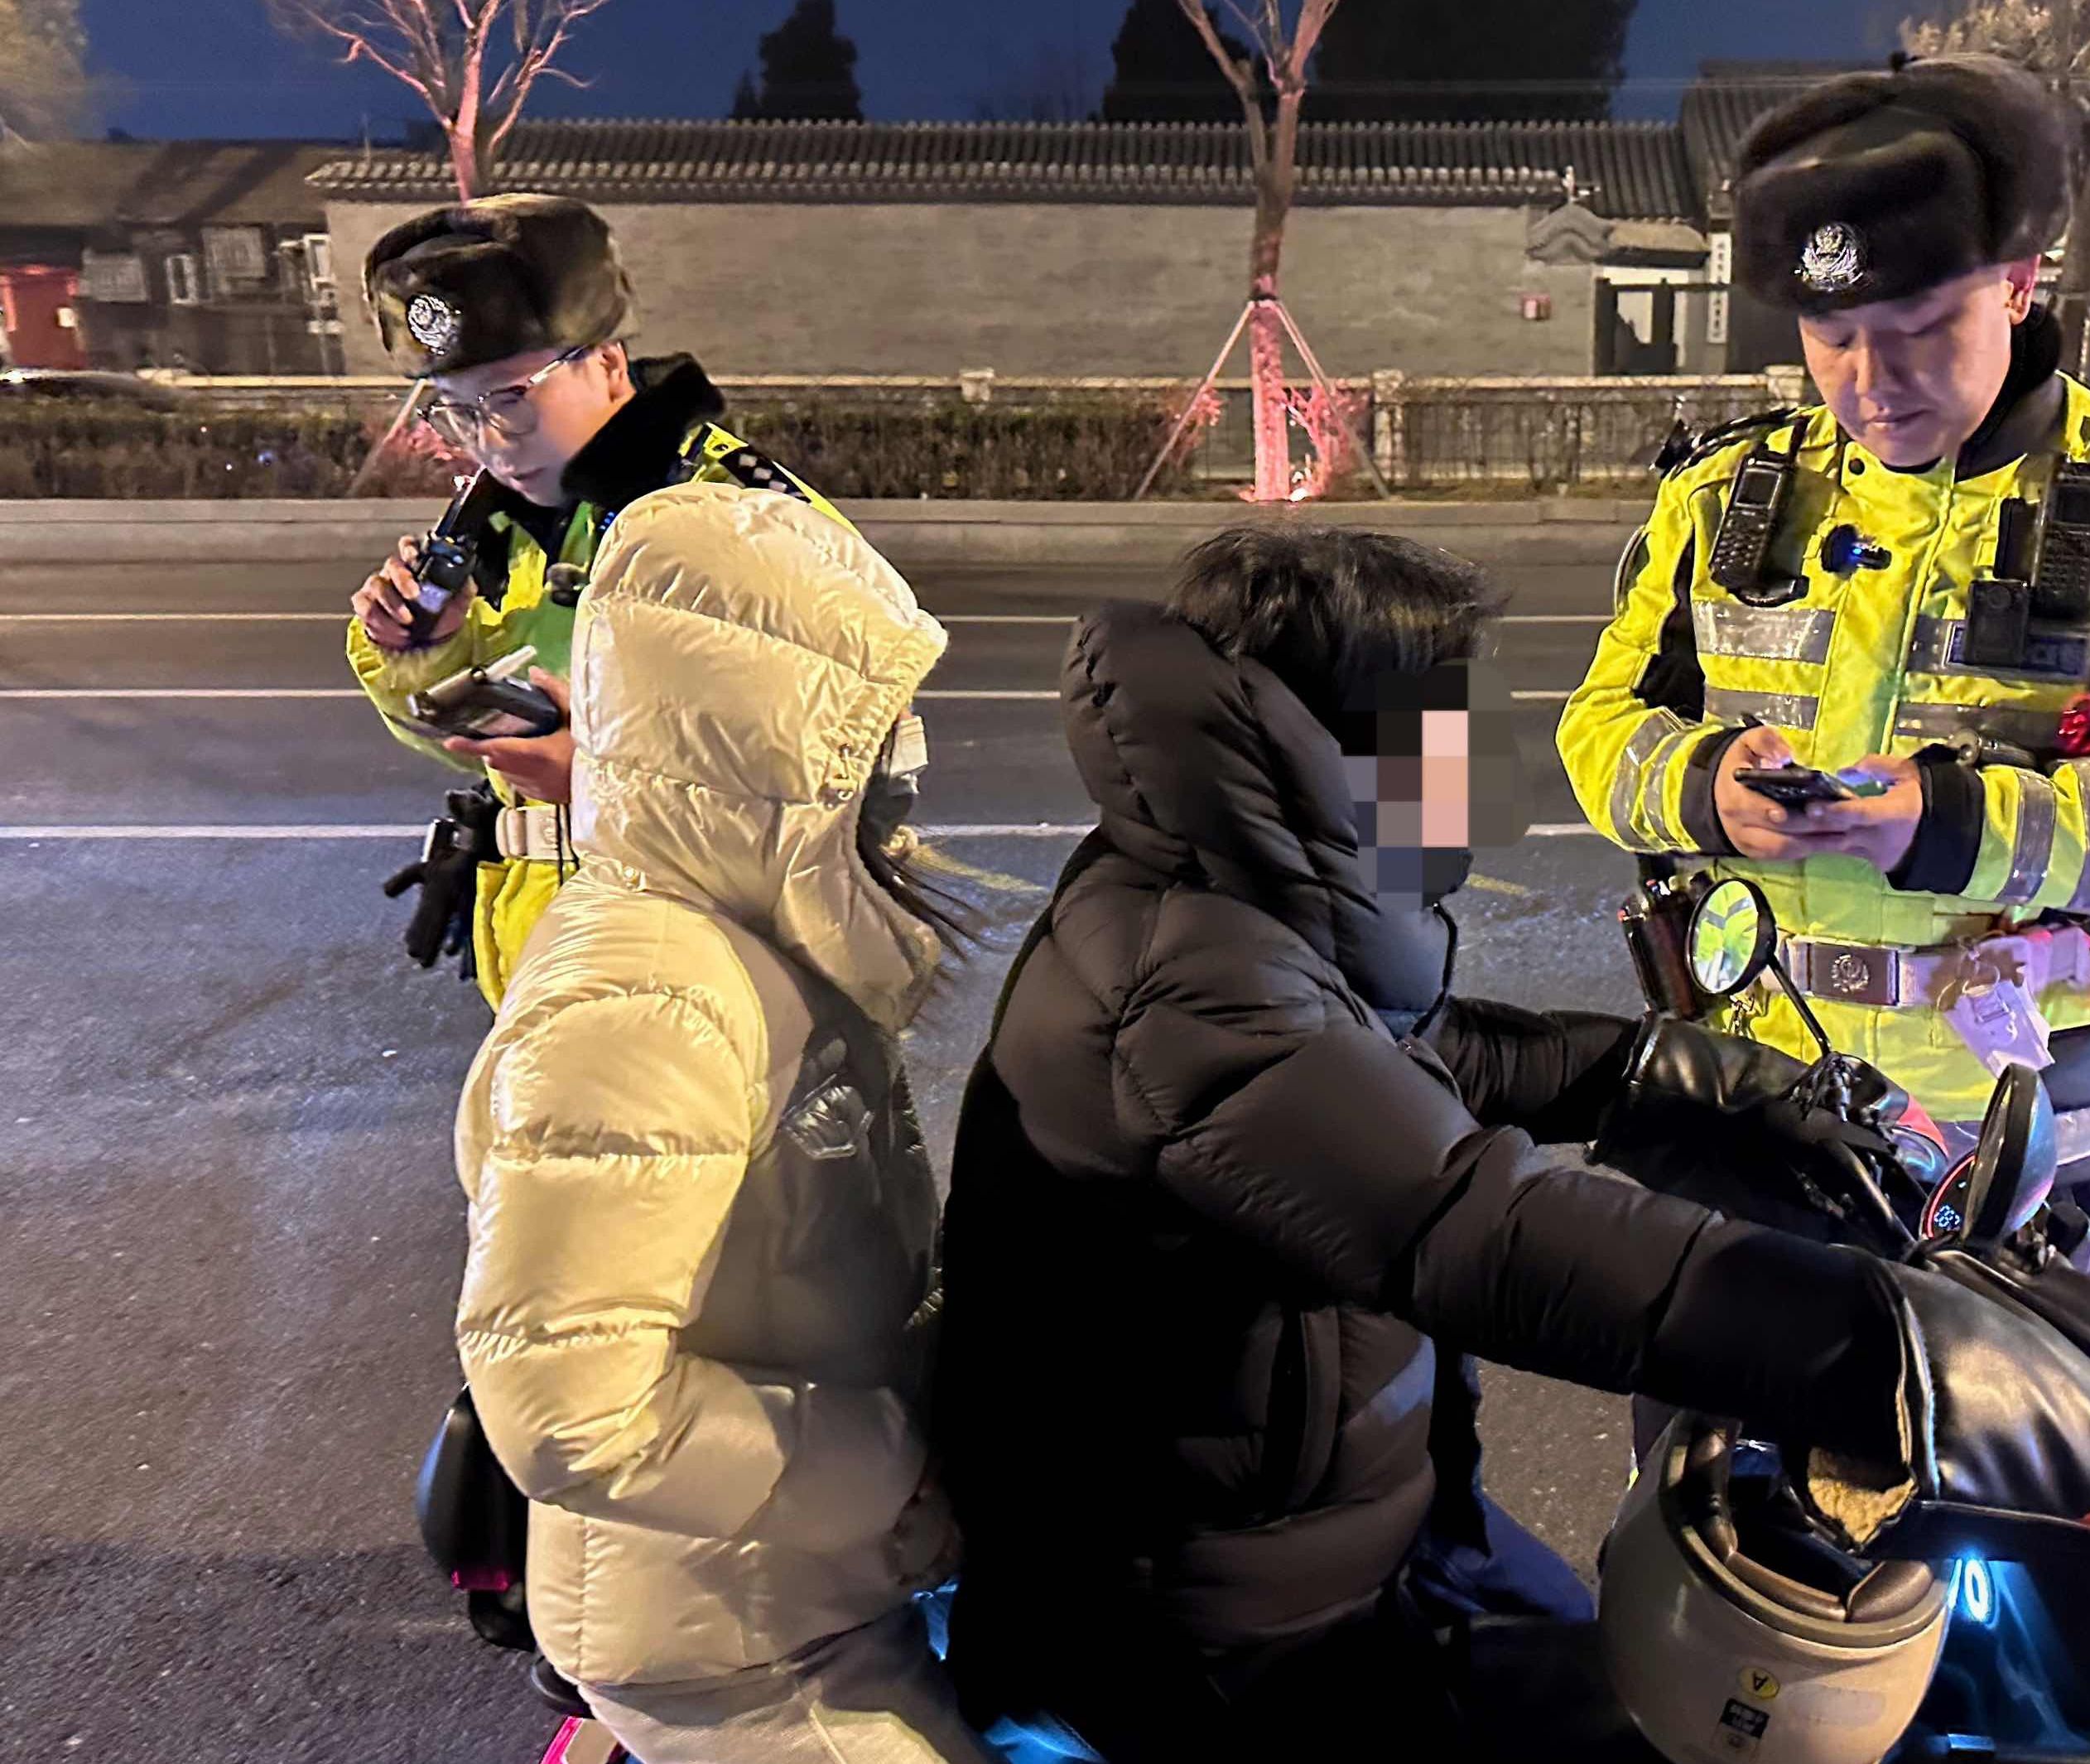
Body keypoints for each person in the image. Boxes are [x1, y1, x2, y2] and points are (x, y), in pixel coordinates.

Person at [932, 526, 1986, 1764]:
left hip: (1363, 1535)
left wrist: (1695, 1086)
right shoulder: (1185, 980)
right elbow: (1477, 1229)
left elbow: (1414, 1059)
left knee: (1634, 1667)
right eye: (1449, 718)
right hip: (1205, 1637)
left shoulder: (1232, 892)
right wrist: (1884, 1347)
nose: (1479, 761)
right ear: (1333, 737)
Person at [1557, 54, 2090, 1275]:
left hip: (2015, 1087)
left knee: (2000, 1396)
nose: (1872, 384)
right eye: (1833, 337)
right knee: (1730, 1389)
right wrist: (1706, 789)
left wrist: (1950, 823)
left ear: (2017, 282)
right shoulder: (1724, 494)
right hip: (1753, 1056)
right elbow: (1601, 728)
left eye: (1918, 331)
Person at [450, 480, 989, 1764]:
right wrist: (893, 1473)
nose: (903, 762)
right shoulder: (648, 1004)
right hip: (740, 1637)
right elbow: (570, 1401)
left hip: (794, 1580)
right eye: (869, 732)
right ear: (757, 750)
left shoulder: (749, 936)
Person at [349, 193, 838, 1007]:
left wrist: (611, 784)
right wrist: (422, 655)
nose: (488, 442)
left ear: (608, 364)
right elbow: (480, 746)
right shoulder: (504, 524)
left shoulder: (739, 513)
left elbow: (851, 755)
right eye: (455, 411)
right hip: (550, 955)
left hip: (706, 971)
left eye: (511, 398)